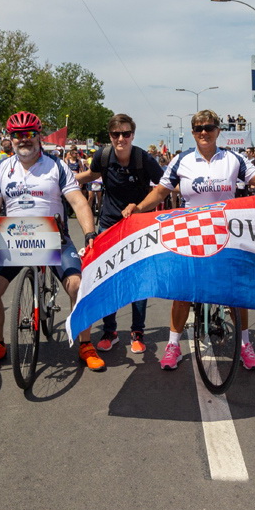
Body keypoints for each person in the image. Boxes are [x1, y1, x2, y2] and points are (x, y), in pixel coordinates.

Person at [123, 110, 255, 371]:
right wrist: (139, 208)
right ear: (192, 132)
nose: (204, 132)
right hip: (190, 232)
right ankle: (173, 345)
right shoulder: (182, 160)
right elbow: (161, 191)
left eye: (209, 127)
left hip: (227, 233)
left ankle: (245, 344)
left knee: (237, 293)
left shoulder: (234, 159)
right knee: (183, 292)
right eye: (199, 128)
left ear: (218, 130)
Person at [0, 111, 105, 372]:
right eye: (17, 136)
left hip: (53, 238)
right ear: (10, 139)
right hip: (14, 240)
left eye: (29, 134)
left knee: (77, 285)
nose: (24, 140)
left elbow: (78, 202)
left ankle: (85, 343)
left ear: (39, 137)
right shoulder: (1, 168)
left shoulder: (57, 166)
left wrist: (90, 233)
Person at [76, 113, 165, 355]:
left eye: (126, 134)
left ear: (133, 135)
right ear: (110, 136)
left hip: (138, 226)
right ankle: (110, 331)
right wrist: (66, 181)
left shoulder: (144, 159)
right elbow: (93, 175)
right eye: (116, 134)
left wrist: (140, 207)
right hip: (108, 225)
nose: (121, 138)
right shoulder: (103, 156)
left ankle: (137, 332)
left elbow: (164, 187)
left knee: (139, 280)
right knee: (107, 278)